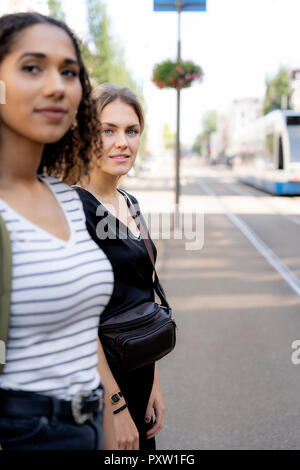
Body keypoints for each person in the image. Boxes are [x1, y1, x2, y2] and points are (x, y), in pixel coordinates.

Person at [0, 12, 114, 450]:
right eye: (32, 67)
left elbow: (84, 329)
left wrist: (110, 411)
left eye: (69, 72)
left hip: (85, 422)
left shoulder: (66, 198)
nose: (57, 86)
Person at [74, 83, 166, 451]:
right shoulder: (72, 208)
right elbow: (78, 319)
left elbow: (142, 296)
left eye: (131, 131)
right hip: (98, 386)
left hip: (138, 374)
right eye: (107, 130)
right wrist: (114, 404)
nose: (122, 142)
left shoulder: (130, 201)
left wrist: (154, 379)